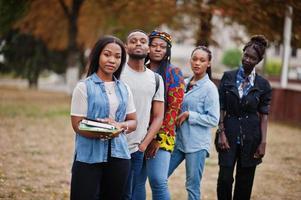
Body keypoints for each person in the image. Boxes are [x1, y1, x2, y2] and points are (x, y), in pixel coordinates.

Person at [70, 35, 137, 200]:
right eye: (107, 54)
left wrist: (119, 126)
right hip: (88, 157)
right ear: (97, 55)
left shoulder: (124, 88)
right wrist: (106, 129)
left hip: (119, 157)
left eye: (118, 56)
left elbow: (133, 121)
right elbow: (77, 125)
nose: (112, 60)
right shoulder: (83, 87)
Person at [216, 35, 272, 200]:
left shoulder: (263, 85)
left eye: (252, 58)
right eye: (246, 55)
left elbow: (264, 115)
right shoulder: (228, 77)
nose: (247, 60)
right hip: (228, 134)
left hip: (251, 137)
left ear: (258, 61)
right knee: (225, 178)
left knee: (245, 181)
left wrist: (262, 142)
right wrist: (221, 132)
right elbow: (221, 106)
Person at [135, 30, 185, 200]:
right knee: (136, 181)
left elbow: (173, 110)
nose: (157, 49)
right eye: (153, 45)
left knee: (157, 180)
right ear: (147, 47)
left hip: (162, 135)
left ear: (167, 50)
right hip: (138, 133)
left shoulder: (174, 73)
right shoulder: (141, 71)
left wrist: (156, 137)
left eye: (162, 47)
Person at [168, 46, 220, 200]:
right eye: (195, 59)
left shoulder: (210, 89)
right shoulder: (183, 83)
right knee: (160, 176)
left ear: (208, 64)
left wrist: (190, 115)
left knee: (192, 186)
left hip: (196, 145)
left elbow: (213, 119)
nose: (197, 63)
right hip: (178, 142)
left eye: (202, 60)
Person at [120, 30, 165, 200]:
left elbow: (159, 116)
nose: (138, 43)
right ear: (126, 47)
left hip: (136, 149)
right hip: (112, 144)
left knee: (130, 194)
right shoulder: (117, 73)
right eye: (133, 41)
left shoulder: (156, 79)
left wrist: (144, 145)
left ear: (148, 49)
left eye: (142, 41)